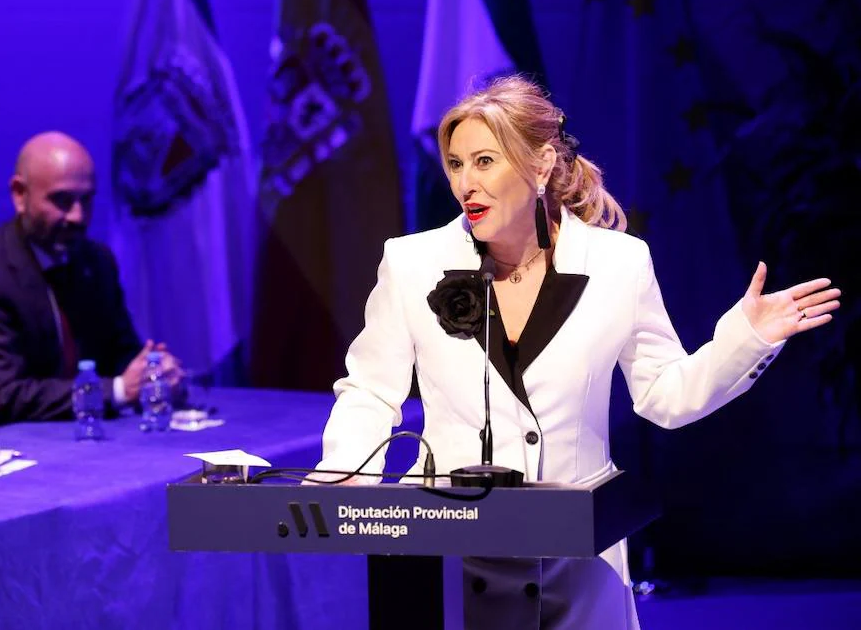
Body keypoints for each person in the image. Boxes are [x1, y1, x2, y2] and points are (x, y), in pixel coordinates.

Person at [315, 76, 840, 629]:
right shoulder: (412, 262)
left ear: (541, 165)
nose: (466, 182)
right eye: (455, 163)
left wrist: (745, 340)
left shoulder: (619, 264)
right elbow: (370, 389)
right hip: (453, 563)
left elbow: (666, 395)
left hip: (580, 568)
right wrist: (346, 472)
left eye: (485, 161)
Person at [0, 132, 181, 423]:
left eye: (87, 200)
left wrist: (152, 371)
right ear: (20, 194)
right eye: (62, 200)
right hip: (25, 449)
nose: (78, 216)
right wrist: (118, 390)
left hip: (97, 438)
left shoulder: (96, 260)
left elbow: (121, 353)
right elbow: (1, 396)